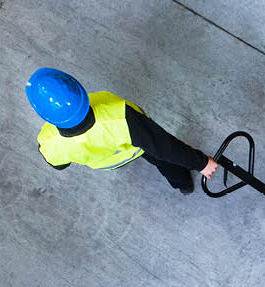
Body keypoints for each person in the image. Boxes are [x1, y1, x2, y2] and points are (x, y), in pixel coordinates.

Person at [26, 68, 218, 194]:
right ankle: (183, 183)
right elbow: (164, 146)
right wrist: (201, 163)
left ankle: (183, 186)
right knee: (163, 160)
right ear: (78, 90)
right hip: (136, 147)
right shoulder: (120, 118)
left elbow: (59, 165)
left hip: (110, 161)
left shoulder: (49, 143)